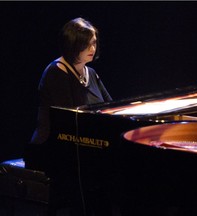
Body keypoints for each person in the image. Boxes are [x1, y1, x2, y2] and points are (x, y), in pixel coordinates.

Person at [24, 17, 114, 216]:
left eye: (94, 42)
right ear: (73, 45)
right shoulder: (55, 72)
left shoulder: (91, 73)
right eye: (87, 44)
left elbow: (110, 107)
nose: (93, 48)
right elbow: (66, 121)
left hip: (82, 144)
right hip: (52, 148)